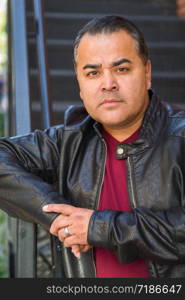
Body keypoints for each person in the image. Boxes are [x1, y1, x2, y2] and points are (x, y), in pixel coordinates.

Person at [0, 15, 185, 278]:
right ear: (80, 84)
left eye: (121, 69)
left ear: (147, 73)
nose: (107, 83)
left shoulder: (180, 138)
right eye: (93, 73)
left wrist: (98, 228)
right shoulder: (67, 142)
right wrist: (62, 220)